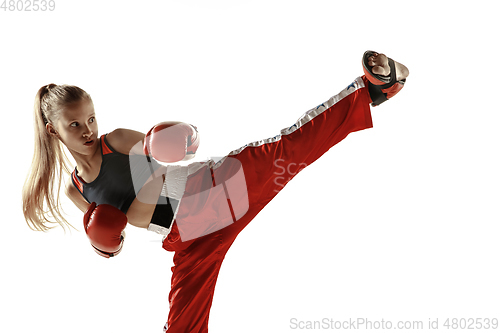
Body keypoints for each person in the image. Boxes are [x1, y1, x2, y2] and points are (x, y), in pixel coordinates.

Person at [22, 51, 409, 332]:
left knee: (290, 147)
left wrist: (173, 141)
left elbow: (156, 175)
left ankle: (372, 90)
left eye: (90, 118)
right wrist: (105, 240)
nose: (88, 129)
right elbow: (115, 241)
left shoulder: (117, 140)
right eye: (75, 125)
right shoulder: (76, 193)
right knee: (183, 324)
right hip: (186, 238)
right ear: (54, 130)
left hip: (214, 190)